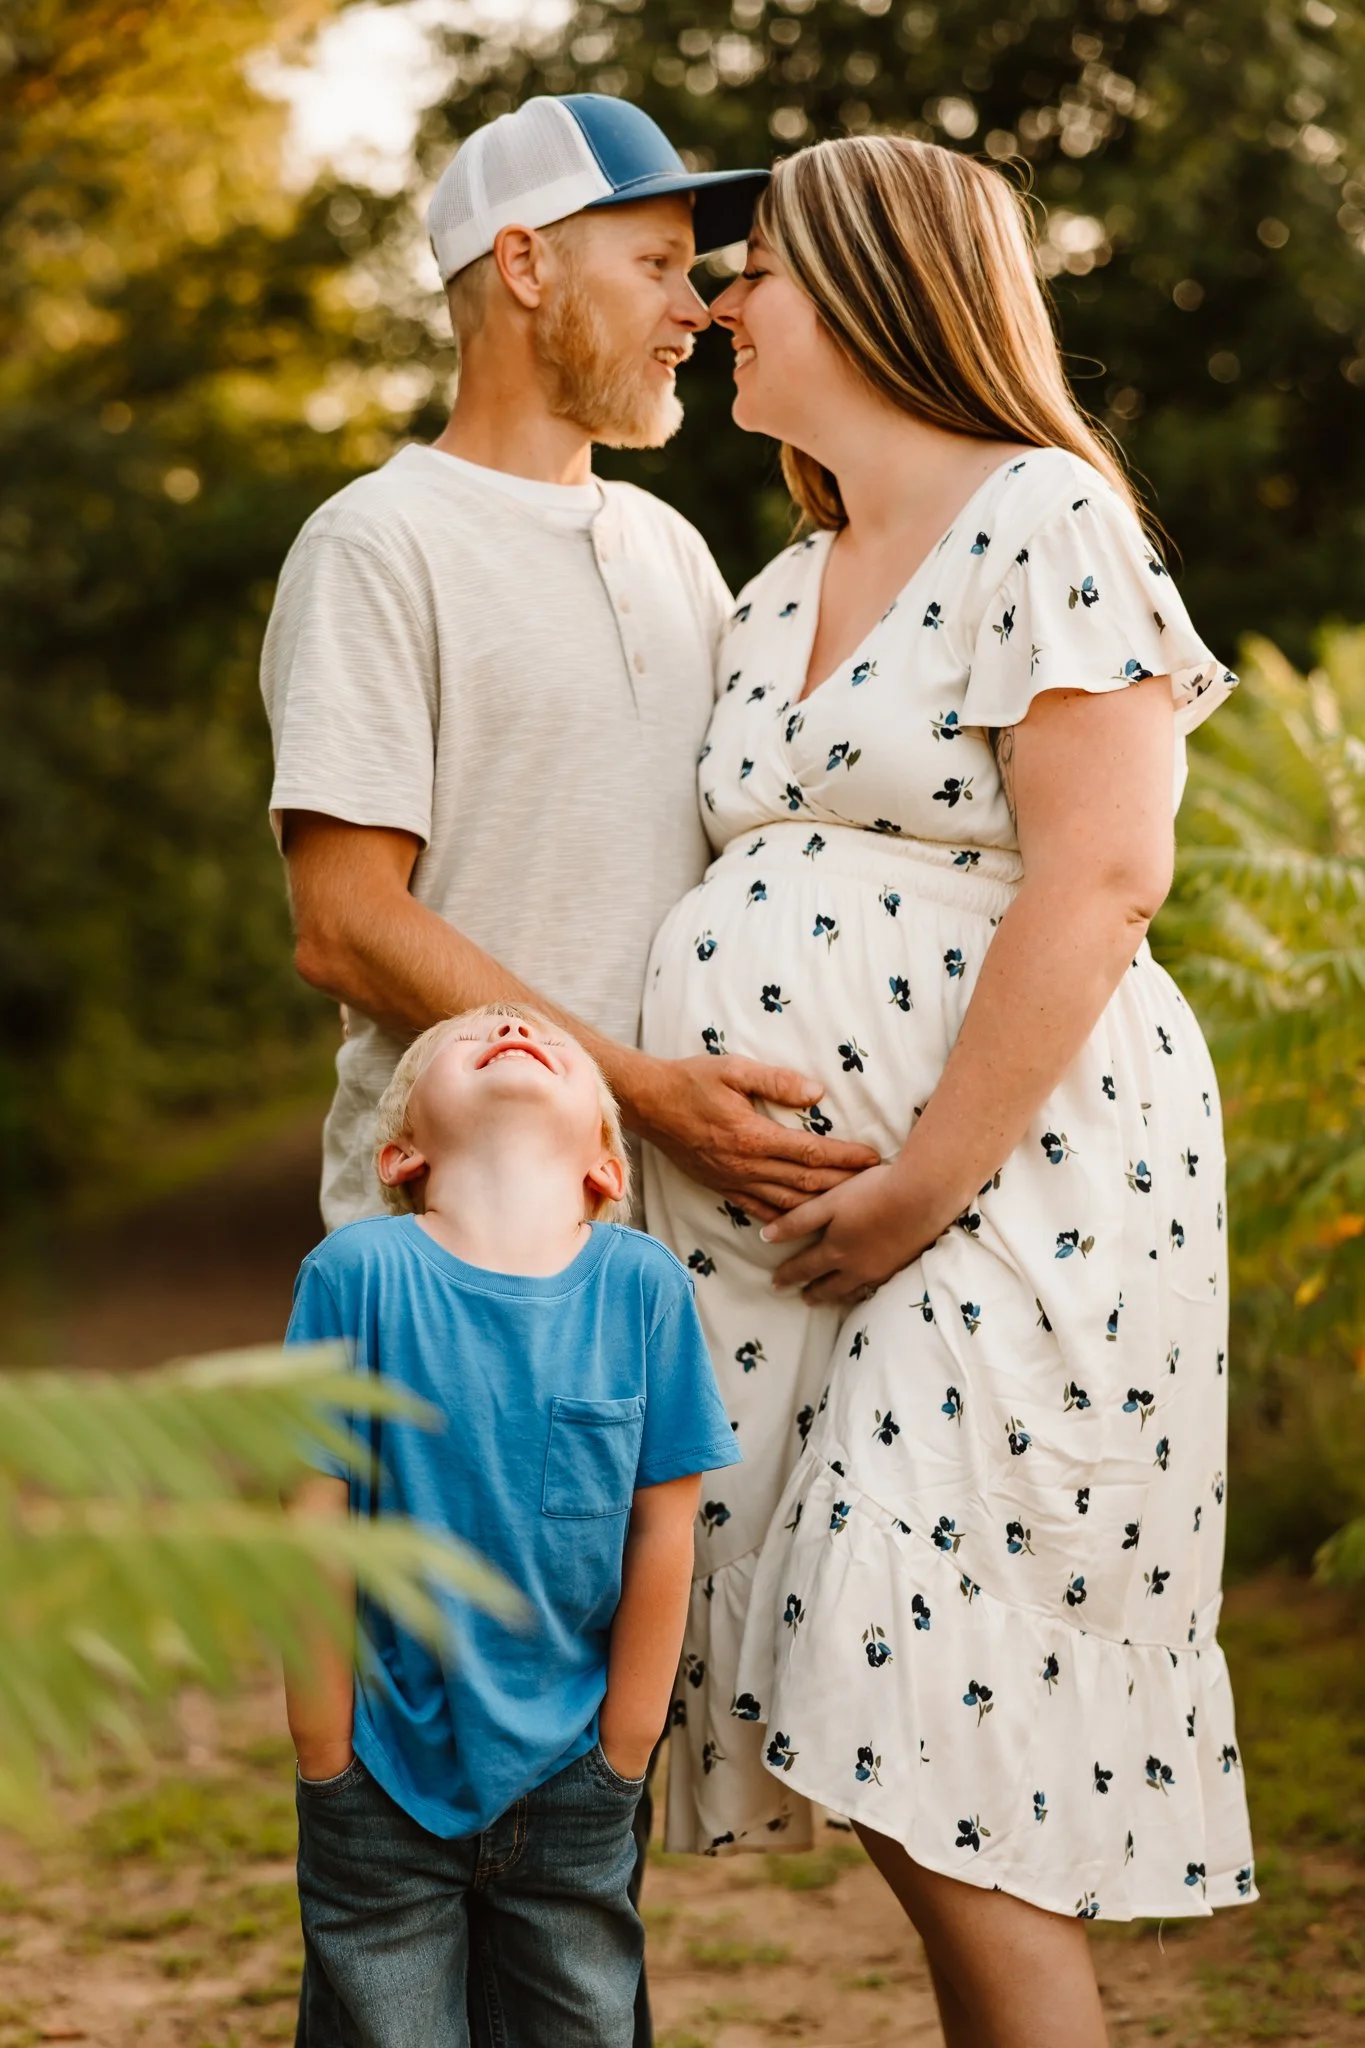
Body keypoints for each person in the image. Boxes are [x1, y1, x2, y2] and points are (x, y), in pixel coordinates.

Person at [259, 94, 876, 2043]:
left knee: (570, 1838)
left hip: (636, 1282)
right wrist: (637, 1082)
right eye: (654, 258)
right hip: (443, 1278)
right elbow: (346, 916)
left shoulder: (680, 555)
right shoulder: (377, 543)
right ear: (522, 265)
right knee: (407, 1831)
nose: (695, 303)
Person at [640, 136, 1256, 2046]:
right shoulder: (781, 578)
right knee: (902, 1740)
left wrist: (923, 1183)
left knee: (952, 1750)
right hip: (806, 1243)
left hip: (1023, 1190)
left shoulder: (1044, 517)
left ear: (886, 287)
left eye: (762, 272)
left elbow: (1102, 873)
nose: (725, 304)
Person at [283, 1002, 742, 2047]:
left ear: (606, 1168)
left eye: (557, 1045)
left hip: (577, 1770)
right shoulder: (355, 1276)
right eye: (465, 1036)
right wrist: (325, 1753)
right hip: (380, 1774)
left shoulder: (645, 1290)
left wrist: (623, 1753)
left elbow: (666, 1533)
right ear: (401, 1152)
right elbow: (313, 1527)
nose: (510, 1026)